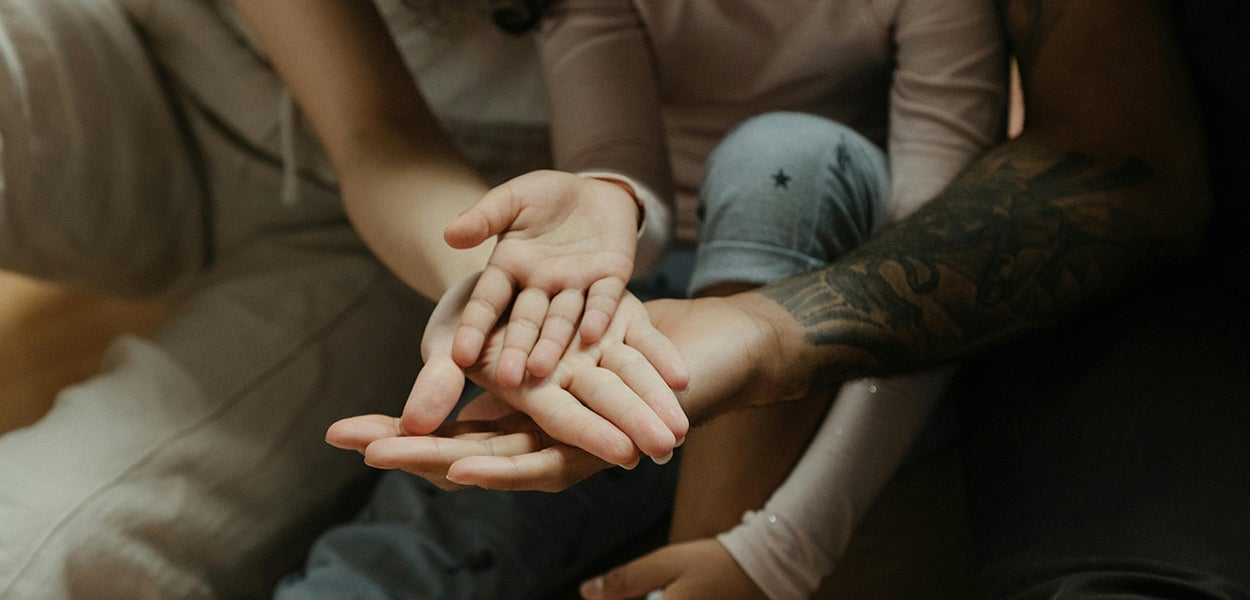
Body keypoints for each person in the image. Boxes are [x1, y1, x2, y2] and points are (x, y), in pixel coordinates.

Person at [340, 0, 1250, 598]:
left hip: (849, 318)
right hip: (654, 301)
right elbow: (626, 185)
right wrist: (588, 218)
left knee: (782, 156)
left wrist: (785, 543)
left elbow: (931, 267)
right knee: (397, 550)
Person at [0, 0, 674, 597]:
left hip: (422, 216)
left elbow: (375, 133)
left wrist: (505, 291)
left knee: (35, 549)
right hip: (158, 45)